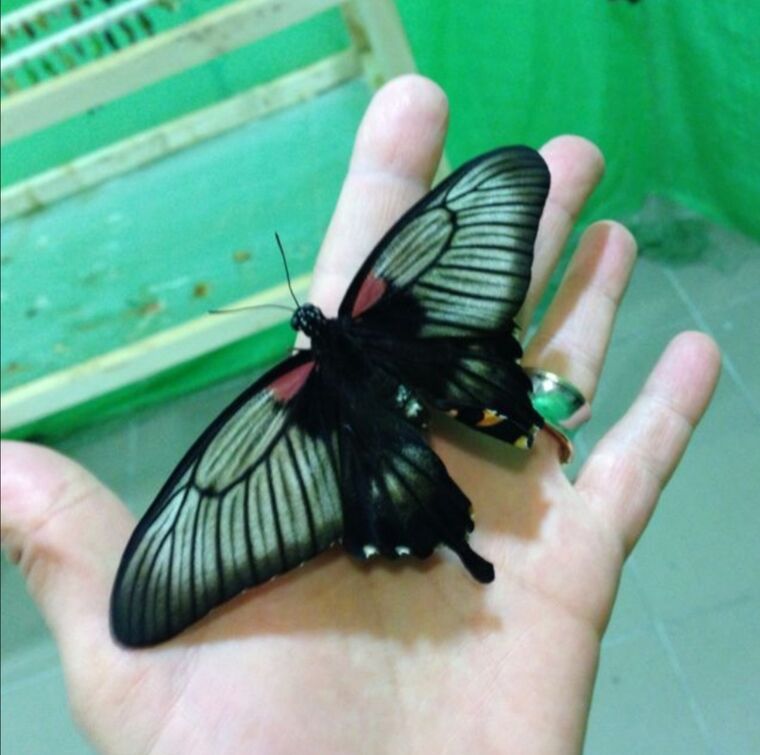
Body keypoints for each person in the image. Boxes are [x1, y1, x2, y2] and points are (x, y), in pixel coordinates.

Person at [0, 76, 720, 753]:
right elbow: (450, 229)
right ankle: (482, 484)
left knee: (422, 445)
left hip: (389, 443)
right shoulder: (354, 320)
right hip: (437, 373)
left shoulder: (289, 390)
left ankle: (462, 540)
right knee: (468, 384)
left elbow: (222, 498)